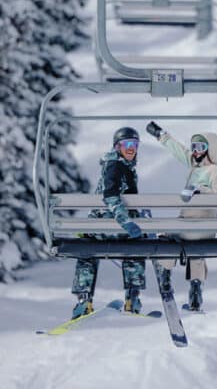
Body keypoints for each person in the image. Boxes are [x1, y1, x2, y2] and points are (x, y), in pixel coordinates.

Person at [146, 121, 217, 311]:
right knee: (196, 253)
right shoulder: (196, 166)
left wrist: (200, 191)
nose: (196, 151)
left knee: (166, 237)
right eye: (194, 147)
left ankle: (165, 276)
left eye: (201, 147)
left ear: (210, 149)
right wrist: (161, 135)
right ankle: (195, 290)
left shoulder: (214, 170)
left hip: (194, 226)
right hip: (202, 232)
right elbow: (179, 151)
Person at [71, 127, 146, 319]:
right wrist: (126, 221)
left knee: (87, 251)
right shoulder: (115, 166)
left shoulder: (121, 166)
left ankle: (84, 300)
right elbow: (110, 196)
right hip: (112, 226)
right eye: (127, 144)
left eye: (135, 144)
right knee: (136, 249)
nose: (131, 148)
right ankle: (132, 298)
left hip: (101, 229)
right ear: (117, 146)